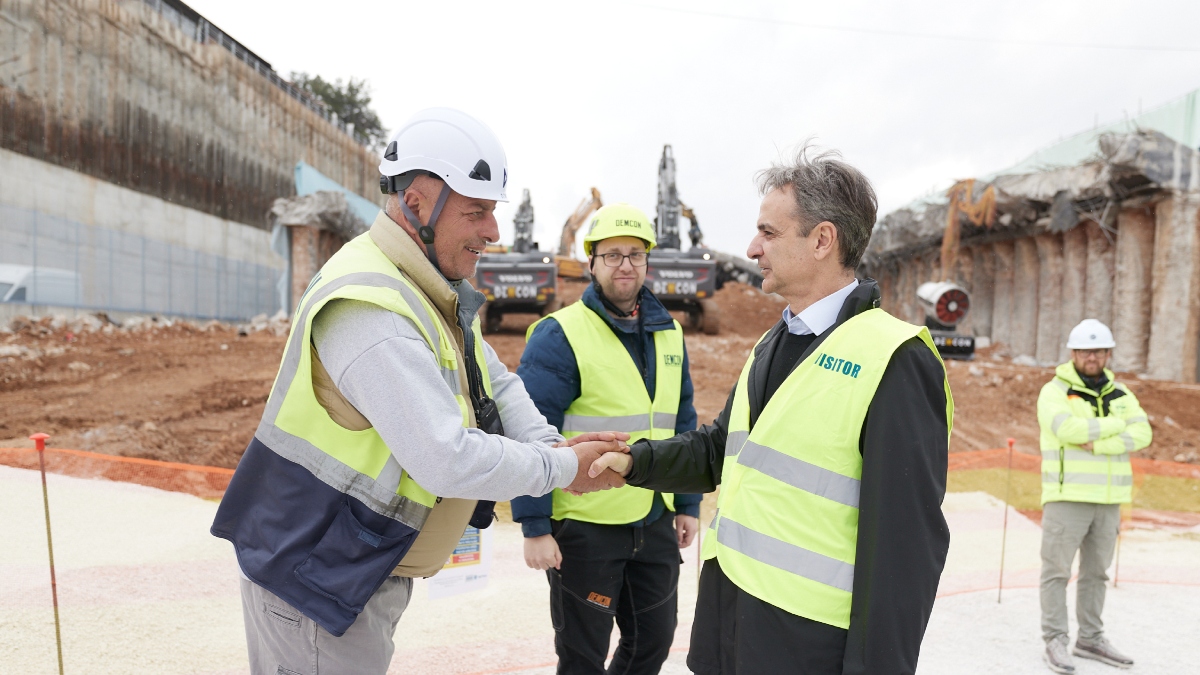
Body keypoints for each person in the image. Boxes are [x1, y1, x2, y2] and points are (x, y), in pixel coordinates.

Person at [210, 107, 627, 675]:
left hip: (349, 563)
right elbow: (442, 457)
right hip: (313, 577)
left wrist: (554, 449)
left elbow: (495, 382)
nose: (493, 232)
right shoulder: (369, 306)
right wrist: (559, 471)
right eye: (477, 212)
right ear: (420, 202)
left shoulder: (426, 288)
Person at [588, 144, 954, 674]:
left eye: (770, 232)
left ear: (823, 240)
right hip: (730, 626)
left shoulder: (895, 360)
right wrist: (637, 462)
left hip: (806, 646)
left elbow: (905, 551)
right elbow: (721, 450)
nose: (752, 247)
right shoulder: (772, 342)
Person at [512, 203, 703, 674]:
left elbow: (682, 421)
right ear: (592, 263)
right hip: (584, 524)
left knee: (653, 643)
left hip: (653, 518)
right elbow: (526, 431)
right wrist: (534, 526)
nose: (625, 264)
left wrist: (687, 504)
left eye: (635, 254)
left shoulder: (669, 333)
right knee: (583, 655)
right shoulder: (560, 335)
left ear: (646, 262)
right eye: (612, 254)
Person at [1036, 319, 1151, 674]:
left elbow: (1143, 432)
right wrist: (1120, 426)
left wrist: (1098, 441)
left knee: (1096, 573)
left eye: (1099, 351)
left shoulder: (1121, 394)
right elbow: (1065, 428)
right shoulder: (1054, 391)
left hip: (1109, 499)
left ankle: (1090, 638)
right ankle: (1055, 638)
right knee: (1057, 571)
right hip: (1067, 497)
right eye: (1086, 351)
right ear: (1073, 353)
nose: (1092, 356)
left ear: (1107, 354)